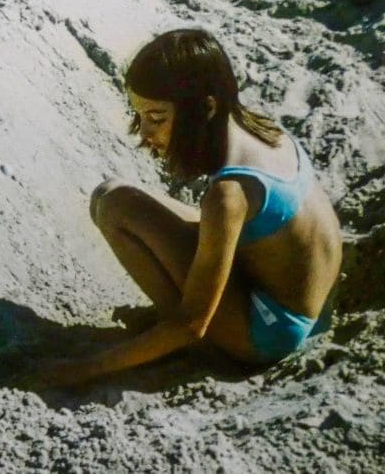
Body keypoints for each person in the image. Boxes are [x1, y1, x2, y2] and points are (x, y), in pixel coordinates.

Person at [35, 28, 342, 387]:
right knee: (112, 195)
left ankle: (202, 350)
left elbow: (192, 325)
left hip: (273, 331)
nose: (145, 133)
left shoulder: (230, 193)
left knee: (115, 207)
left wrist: (79, 369)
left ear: (206, 107)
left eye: (157, 118)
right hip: (312, 303)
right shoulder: (263, 132)